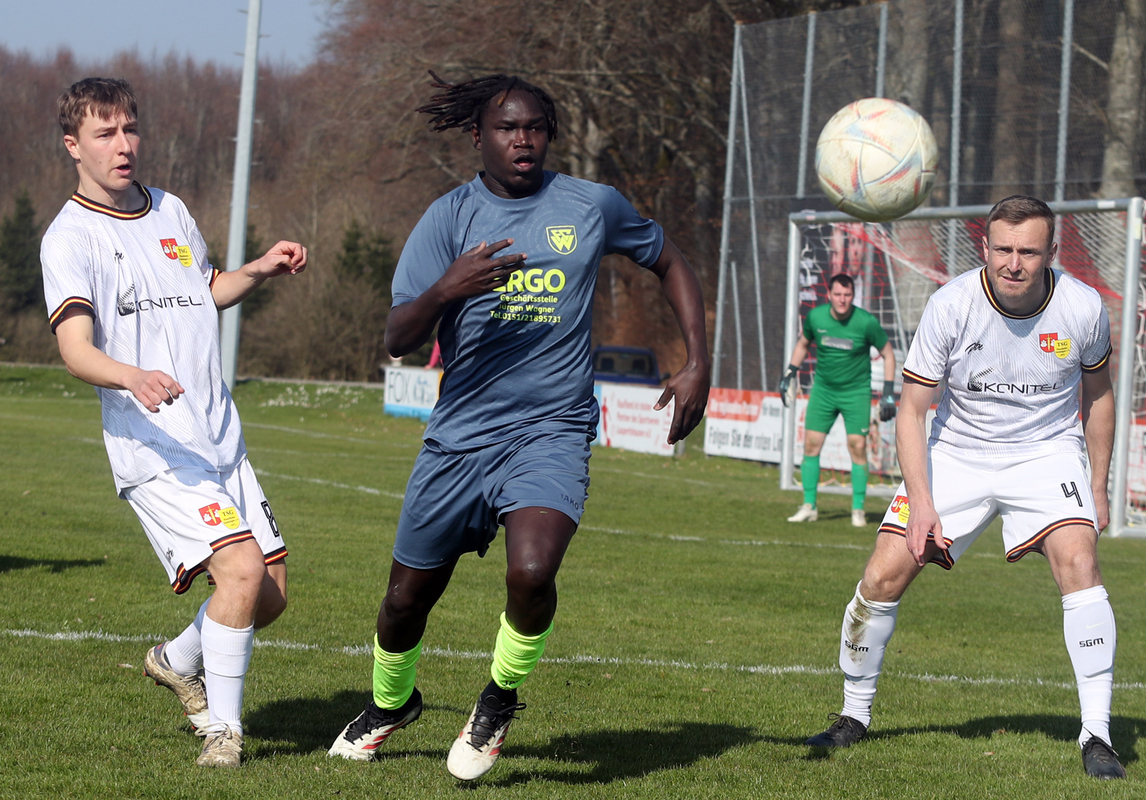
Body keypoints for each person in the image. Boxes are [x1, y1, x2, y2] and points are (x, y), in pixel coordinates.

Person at [327, 73, 710, 780]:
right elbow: (396, 336)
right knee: (405, 601)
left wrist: (698, 361)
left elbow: (669, 259)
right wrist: (449, 288)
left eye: (535, 127)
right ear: (479, 136)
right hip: (458, 439)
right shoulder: (448, 217)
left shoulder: (591, 205)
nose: (523, 139)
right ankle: (389, 705)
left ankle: (498, 700)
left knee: (532, 573)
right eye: (507, 128)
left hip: (551, 430)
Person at [804, 196, 1125, 780]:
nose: (1013, 263)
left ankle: (1098, 735)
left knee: (1080, 564)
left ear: (1052, 253)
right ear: (985, 247)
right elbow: (912, 411)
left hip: (1046, 453)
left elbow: (1099, 395)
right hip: (957, 452)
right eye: (1003, 249)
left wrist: (1097, 487)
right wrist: (923, 504)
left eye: (1028, 251)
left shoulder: (1083, 307)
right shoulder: (951, 304)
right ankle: (853, 715)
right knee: (881, 576)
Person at [40, 77, 308, 768]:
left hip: (219, 434)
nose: (123, 145)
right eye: (104, 134)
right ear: (74, 146)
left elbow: (205, 291)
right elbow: (75, 349)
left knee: (269, 594)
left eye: (129, 129)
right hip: (154, 445)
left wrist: (256, 270)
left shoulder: (172, 209)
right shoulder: (69, 238)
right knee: (240, 573)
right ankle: (224, 732)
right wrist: (131, 376)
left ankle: (175, 659)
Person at [779, 273, 896, 527]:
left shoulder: (866, 322)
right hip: (823, 391)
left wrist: (888, 391)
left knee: (857, 446)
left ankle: (858, 510)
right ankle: (809, 506)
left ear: (853, 296)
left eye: (847, 295)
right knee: (811, 444)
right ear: (829, 295)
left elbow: (888, 353)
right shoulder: (816, 317)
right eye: (838, 294)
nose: (842, 299)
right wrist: (789, 373)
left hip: (856, 392)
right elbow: (803, 344)